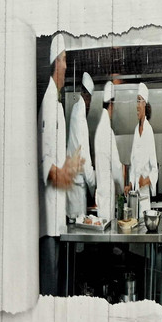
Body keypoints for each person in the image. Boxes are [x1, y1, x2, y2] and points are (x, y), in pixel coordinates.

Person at [39, 35, 83, 296]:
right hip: (48, 221)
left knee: (56, 289)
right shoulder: (47, 104)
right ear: (56, 63)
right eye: (65, 60)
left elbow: (54, 158)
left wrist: (69, 167)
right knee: (49, 290)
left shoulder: (55, 104)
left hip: (57, 218)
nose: (67, 65)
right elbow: (43, 162)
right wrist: (63, 174)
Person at [65, 72, 97, 223]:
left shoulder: (76, 111)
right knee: (77, 231)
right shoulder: (80, 118)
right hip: (76, 187)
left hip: (73, 185)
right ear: (87, 97)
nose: (89, 105)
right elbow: (84, 158)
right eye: (89, 100)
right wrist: (94, 186)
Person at [93, 81, 124, 226]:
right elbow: (117, 167)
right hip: (107, 195)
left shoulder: (100, 130)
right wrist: (122, 188)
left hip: (101, 193)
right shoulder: (107, 131)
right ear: (111, 104)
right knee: (107, 239)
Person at [127, 82, 158, 220]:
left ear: (145, 104)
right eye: (136, 100)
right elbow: (133, 164)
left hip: (144, 199)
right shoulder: (135, 130)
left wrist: (146, 181)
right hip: (133, 198)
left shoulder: (149, 131)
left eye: (139, 100)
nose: (137, 105)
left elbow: (154, 168)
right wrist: (130, 183)